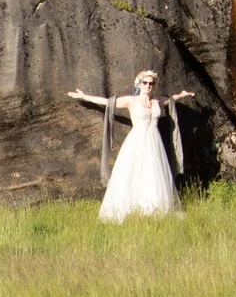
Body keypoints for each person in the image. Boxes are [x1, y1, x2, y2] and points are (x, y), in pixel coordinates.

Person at [67, 69, 194, 221]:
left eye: (151, 83)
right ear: (139, 84)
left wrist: (182, 94)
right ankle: (129, 209)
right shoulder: (131, 101)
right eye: (145, 83)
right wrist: (84, 96)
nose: (148, 86)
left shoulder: (157, 101)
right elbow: (109, 102)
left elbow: (171, 99)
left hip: (154, 141)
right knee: (131, 172)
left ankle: (155, 210)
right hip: (137, 140)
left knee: (154, 173)